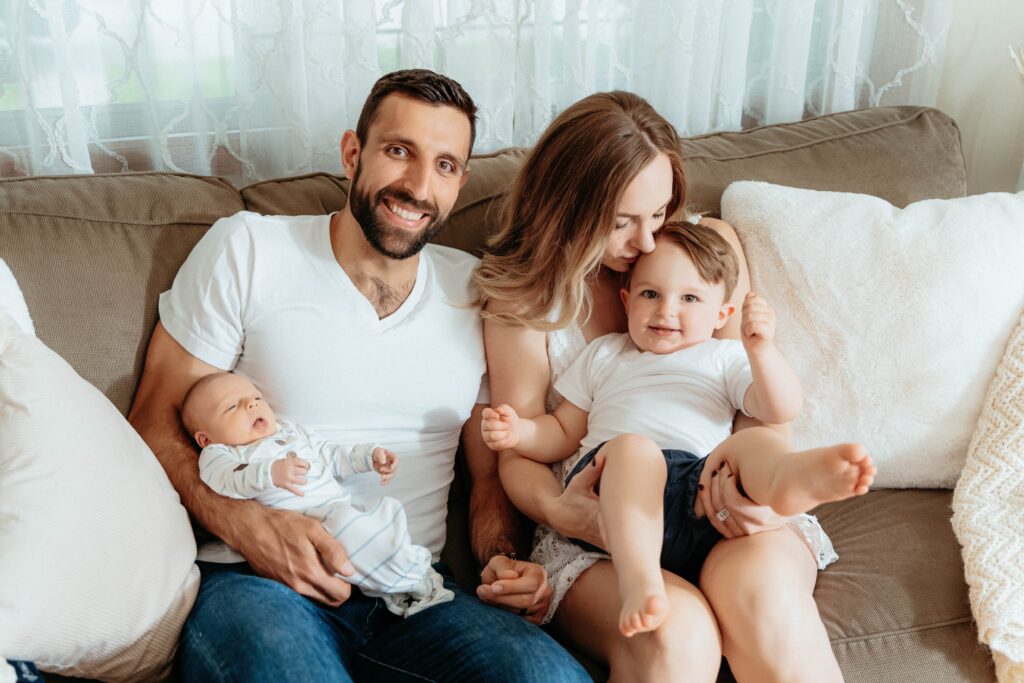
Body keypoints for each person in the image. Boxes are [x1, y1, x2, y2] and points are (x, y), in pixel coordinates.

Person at [128, 69, 589, 682]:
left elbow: (488, 476)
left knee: (547, 677)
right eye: (400, 152)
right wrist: (251, 527)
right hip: (261, 584)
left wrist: (506, 562)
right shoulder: (250, 250)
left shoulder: (479, 291)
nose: (420, 186)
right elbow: (151, 422)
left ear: (461, 182)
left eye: (445, 165)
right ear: (353, 153)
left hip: (416, 591)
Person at [474, 91, 844, 682]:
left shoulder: (706, 248)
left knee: (765, 598)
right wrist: (561, 511)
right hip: (600, 525)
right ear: (567, 206)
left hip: (714, 491)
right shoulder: (522, 302)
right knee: (674, 632)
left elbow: (760, 411)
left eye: (660, 212)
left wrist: (756, 498)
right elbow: (519, 448)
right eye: (622, 221)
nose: (648, 242)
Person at [480, 221, 875, 638]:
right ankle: (641, 581)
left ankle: (797, 481)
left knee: (754, 443)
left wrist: (761, 350)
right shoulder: (605, 355)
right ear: (626, 299)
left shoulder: (724, 357)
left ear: (722, 314)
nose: (666, 310)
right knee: (634, 449)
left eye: (689, 298)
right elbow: (562, 431)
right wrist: (520, 433)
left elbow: (780, 407)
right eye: (650, 294)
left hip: (698, 490)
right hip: (612, 495)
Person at [182, 371, 455, 617]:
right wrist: (269, 473)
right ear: (205, 439)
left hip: (334, 509)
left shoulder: (291, 431)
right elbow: (222, 480)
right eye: (232, 406)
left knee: (366, 527)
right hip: (300, 533)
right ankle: (412, 579)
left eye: (256, 397)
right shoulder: (220, 454)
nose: (251, 404)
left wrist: (368, 456)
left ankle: (406, 575)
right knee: (353, 531)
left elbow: (332, 455)